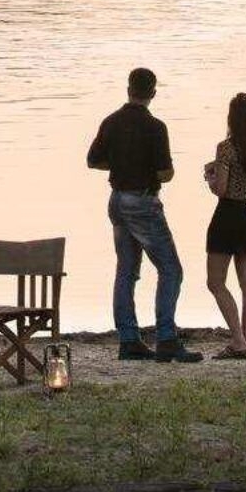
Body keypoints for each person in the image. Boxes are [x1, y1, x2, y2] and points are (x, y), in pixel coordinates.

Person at [86, 67, 201, 362]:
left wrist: (119, 166)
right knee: (171, 269)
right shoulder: (155, 127)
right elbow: (165, 173)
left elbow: (93, 161)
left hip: (116, 200)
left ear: (128, 89)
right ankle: (166, 337)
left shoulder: (110, 122)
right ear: (152, 92)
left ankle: (128, 339)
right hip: (142, 202)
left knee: (126, 270)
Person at [201, 92, 246, 359]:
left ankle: (238, 340)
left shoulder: (226, 148)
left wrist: (210, 175)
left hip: (226, 215)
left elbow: (221, 189)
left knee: (215, 282)